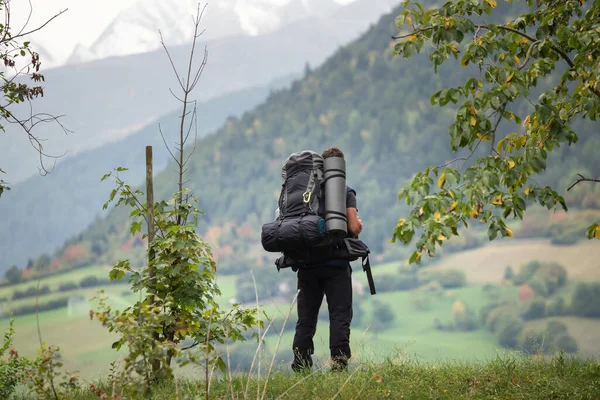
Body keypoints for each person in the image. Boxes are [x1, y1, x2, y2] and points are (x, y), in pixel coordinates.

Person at [291, 146, 363, 372]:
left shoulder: (304, 193)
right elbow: (352, 226)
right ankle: (339, 363)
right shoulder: (345, 191)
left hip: (306, 264)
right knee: (339, 314)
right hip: (336, 264)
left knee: (306, 319)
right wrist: (359, 226)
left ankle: (301, 365)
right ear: (340, 168)